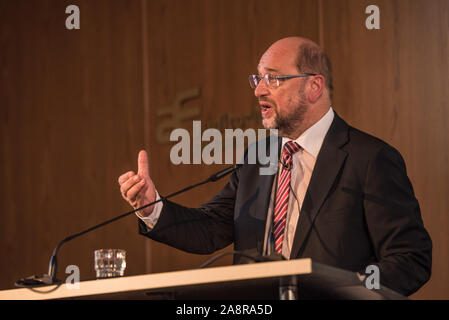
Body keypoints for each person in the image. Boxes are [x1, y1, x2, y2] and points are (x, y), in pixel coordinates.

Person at [118, 37, 432, 296]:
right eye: (258, 79)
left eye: (274, 78)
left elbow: (410, 259)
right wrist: (151, 207)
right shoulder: (256, 159)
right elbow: (210, 230)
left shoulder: (369, 159)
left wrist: (344, 292)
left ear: (313, 87)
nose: (259, 90)